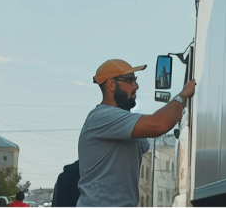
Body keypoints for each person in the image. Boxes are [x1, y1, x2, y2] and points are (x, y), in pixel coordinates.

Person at [77, 59, 196, 208]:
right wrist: (183, 95)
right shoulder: (102, 117)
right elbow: (159, 124)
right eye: (129, 80)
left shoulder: (122, 125)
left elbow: (150, 138)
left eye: (135, 80)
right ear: (111, 84)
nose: (136, 85)